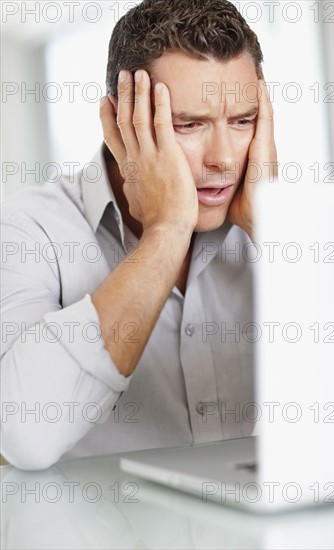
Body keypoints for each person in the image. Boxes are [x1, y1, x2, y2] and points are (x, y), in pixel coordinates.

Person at [0, 0, 277, 470]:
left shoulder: (282, 232)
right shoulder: (26, 230)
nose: (225, 159)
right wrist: (167, 231)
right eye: (188, 125)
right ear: (117, 123)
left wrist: (276, 229)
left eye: (243, 122)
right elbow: (23, 435)